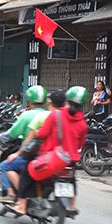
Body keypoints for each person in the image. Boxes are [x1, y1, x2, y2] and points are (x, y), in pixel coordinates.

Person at [10, 86, 89, 216]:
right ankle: (72, 205)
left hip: (50, 156)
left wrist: (36, 133)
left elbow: (42, 134)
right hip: (69, 160)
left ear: (67, 101)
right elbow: (80, 144)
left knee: (26, 171)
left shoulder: (56, 115)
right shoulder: (83, 124)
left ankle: (22, 206)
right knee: (71, 178)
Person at [0, 89, 65, 204]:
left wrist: (2, 137)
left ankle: (13, 195)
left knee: (4, 166)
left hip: (31, 153)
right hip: (51, 155)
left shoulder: (27, 115)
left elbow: (14, 133)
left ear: (29, 101)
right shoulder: (53, 115)